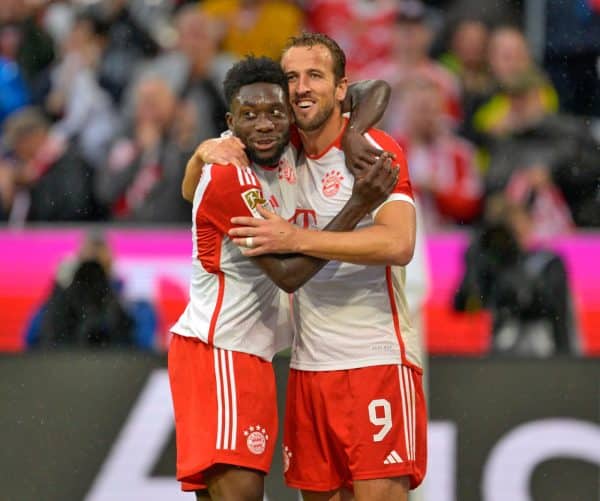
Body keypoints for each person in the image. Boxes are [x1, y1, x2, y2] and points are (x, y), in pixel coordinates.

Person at [202, 33, 426, 501]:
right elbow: (197, 183)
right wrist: (202, 152)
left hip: (374, 360)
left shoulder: (371, 151)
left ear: (341, 88)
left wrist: (297, 238)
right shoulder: (275, 147)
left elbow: (398, 242)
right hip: (308, 370)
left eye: (315, 76)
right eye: (292, 78)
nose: (302, 88)